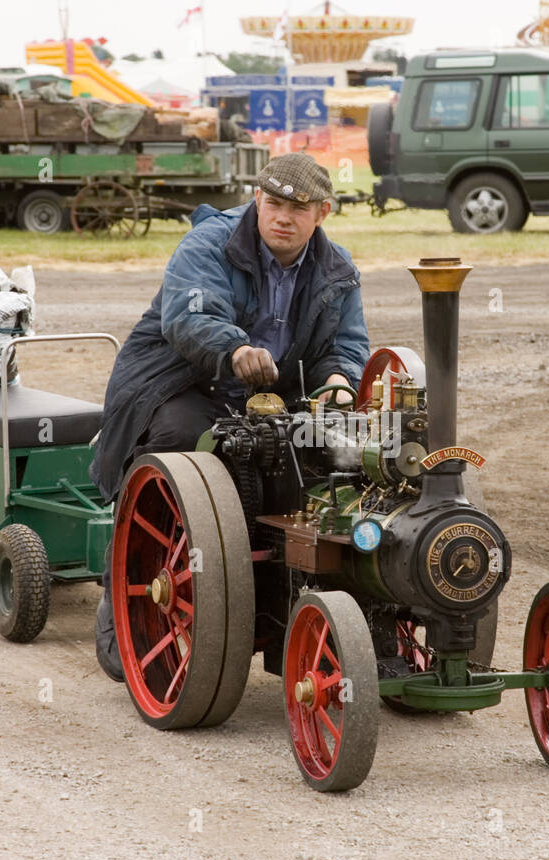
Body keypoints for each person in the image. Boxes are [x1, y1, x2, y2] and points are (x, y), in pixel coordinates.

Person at [90, 152, 370, 681]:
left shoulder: (338, 270)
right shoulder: (208, 242)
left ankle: (295, 591)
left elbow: (347, 345)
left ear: (323, 212)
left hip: (271, 399)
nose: (283, 216)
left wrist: (338, 383)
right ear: (256, 199)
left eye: (299, 206)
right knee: (177, 440)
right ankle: (130, 596)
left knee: (330, 462)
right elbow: (190, 315)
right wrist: (234, 349)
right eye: (274, 202)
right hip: (180, 381)